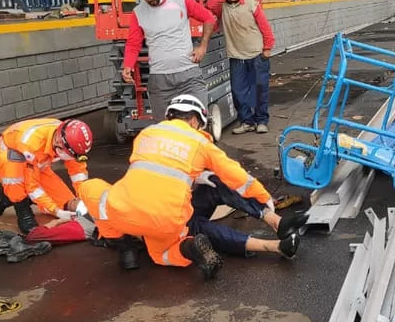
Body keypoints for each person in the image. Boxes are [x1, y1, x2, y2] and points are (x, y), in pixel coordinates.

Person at [75, 95, 305, 279]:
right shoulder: (199, 142)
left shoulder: (145, 135)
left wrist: (199, 177)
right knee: (199, 220)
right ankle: (273, 231)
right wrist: (264, 198)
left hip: (129, 215)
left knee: (165, 251)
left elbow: (152, 173)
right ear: (194, 120)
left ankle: (274, 236)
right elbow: (236, 175)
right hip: (170, 218)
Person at [121, 0, 217, 121]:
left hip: (188, 77)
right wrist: (128, 65)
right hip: (160, 82)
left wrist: (202, 46)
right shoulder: (138, 13)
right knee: (165, 130)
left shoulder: (181, 1)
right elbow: (133, 43)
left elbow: (209, 18)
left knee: (196, 124)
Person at [0, 118, 93, 233]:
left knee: (66, 204)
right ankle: (21, 208)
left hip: (36, 165)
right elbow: (32, 186)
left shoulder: (68, 139)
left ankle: (8, 196)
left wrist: (83, 196)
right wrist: (56, 212)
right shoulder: (31, 144)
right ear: (58, 142)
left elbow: (78, 171)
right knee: (13, 166)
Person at [206, 0, 275, 134]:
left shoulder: (252, 5)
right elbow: (210, 4)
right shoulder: (221, 7)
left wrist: (267, 48)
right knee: (238, 91)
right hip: (236, 57)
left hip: (257, 54)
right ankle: (246, 121)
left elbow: (265, 27)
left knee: (259, 89)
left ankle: (261, 121)